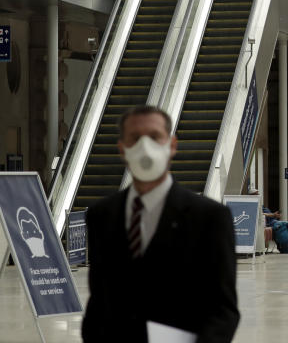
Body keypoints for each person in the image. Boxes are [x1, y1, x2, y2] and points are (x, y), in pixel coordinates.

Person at [83, 105, 239, 343]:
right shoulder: (101, 215)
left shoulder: (209, 218)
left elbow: (223, 309)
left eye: (155, 137)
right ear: (122, 149)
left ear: (172, 146)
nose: (145, 147)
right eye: (135, 138)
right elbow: (99, 302)